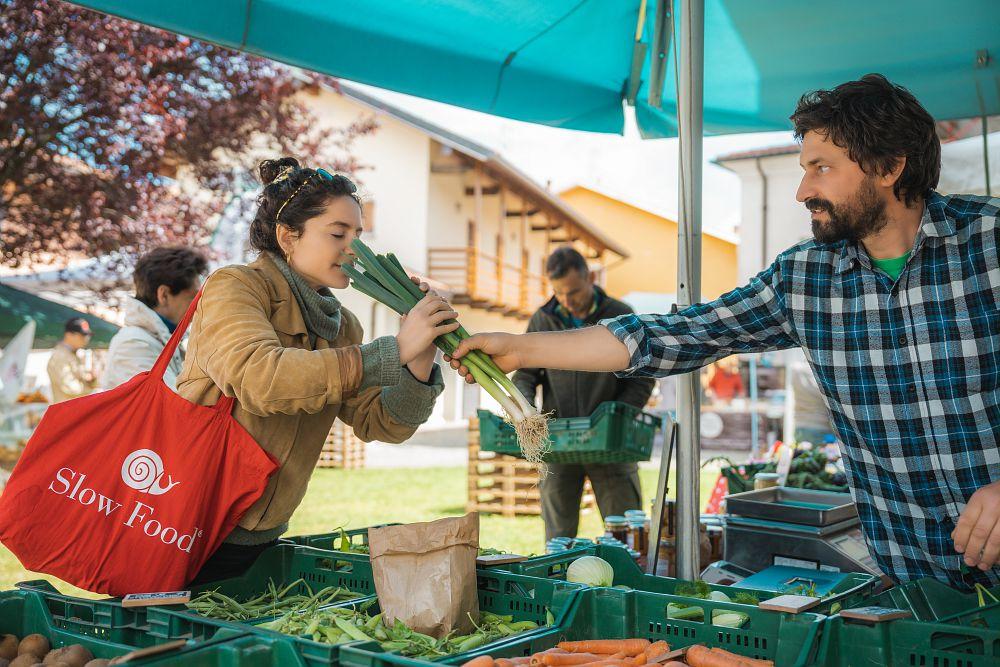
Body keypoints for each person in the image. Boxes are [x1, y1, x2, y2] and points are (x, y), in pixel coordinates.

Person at [449, 74, 1000, 589]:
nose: (802, 190)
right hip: (911, 586)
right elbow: (674, 334)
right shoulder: (804, 277)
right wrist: (518, 346)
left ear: (888, 167)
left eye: (821, 168)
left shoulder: (989, 243)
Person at [178, 157, 456, 584]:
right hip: (186, 527)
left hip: (262, 538)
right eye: (337, 234)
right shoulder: (235, 286)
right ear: (288, 236)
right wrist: (394, 350)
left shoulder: (343, 325)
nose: (353, 249)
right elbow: (261, 379)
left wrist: (420, 353)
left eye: (358, 235)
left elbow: (381, 425)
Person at [512, 246, 654, 540]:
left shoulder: (620, 315)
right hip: (559, 442)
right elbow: (525, 373)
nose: (566, 300)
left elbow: (641, 377)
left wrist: (616, 414)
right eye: (559, 293)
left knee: (626, 531)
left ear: (590, 277)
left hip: (611, 442)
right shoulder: (542, 320)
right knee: (558, 537)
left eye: (573, 291)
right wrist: (526, 410)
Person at [100, 246, 208, 391]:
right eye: (192, 298)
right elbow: (173, 407)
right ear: (163, 295)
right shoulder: (133, 344)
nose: (197, 306)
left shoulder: (165, 339)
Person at [47, 318, 97, 402]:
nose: (86, 339)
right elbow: (70, 388)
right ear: (69, 335)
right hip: (65, 412)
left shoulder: (74, 354)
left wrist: (92, 380)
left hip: (74, 409)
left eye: (87, 336)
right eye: (82, 335)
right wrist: (91, 389)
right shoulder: (59, 356)